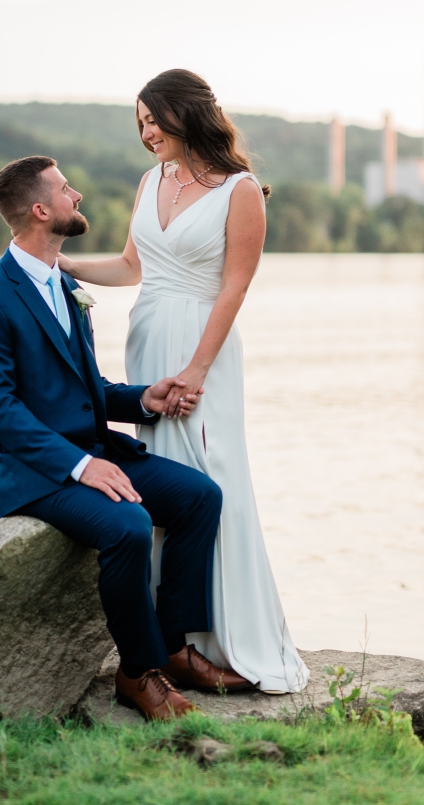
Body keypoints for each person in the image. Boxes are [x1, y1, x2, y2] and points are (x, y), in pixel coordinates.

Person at [0, 155, 240, 721]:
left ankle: (173, 648)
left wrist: (142, 399)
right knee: (129, 525)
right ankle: (137, 673)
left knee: (198, 497)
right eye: (65, 189)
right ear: (40, 210)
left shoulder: (63, 283)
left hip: (86, 453)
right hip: (22, 472)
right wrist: (83, 467)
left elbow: (86, 388)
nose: (77, 195)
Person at [59, 69, 309, 694]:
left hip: (205, 347)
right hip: (148, 340)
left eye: (153, 119)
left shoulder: (239, 189)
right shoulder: (151, 182)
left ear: (186, 113)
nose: (146, 133)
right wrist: (56, 264)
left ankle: (220, 637)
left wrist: (198, 367)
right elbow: (131, 267)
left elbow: (235, 285)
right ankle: (166, 642)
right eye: (138, 123)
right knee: (155, 475)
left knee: (210, 476)